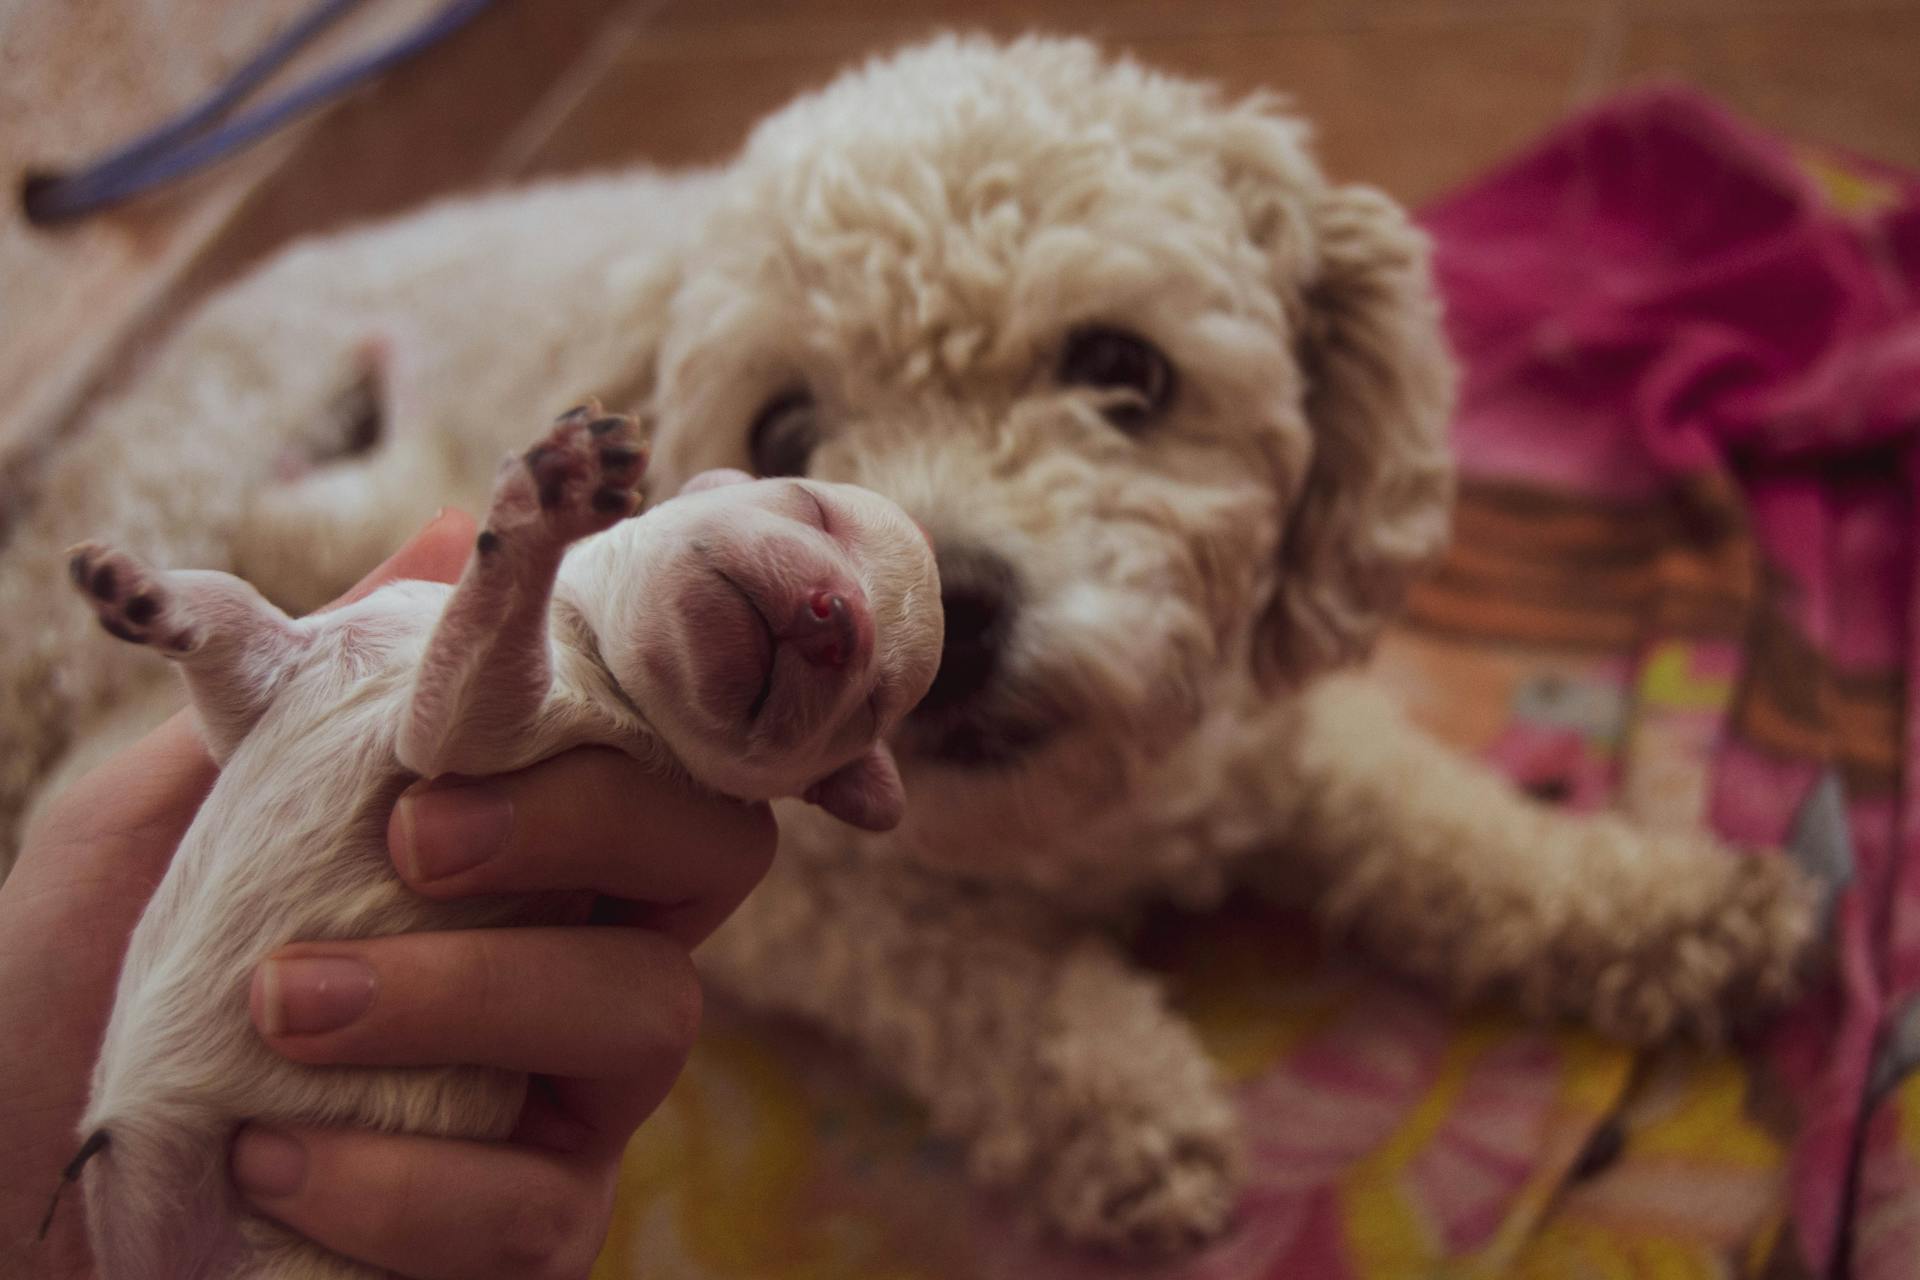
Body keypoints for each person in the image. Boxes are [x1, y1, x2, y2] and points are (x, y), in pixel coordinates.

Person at [0, 509, 777, 1279]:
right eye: (814, 517)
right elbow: (276, 676)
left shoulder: (610, 739)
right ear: (710, 489)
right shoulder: (458, 611)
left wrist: (525, 551)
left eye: (881, 700)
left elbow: (443, 716)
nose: (833, 618)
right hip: (119, 1169)